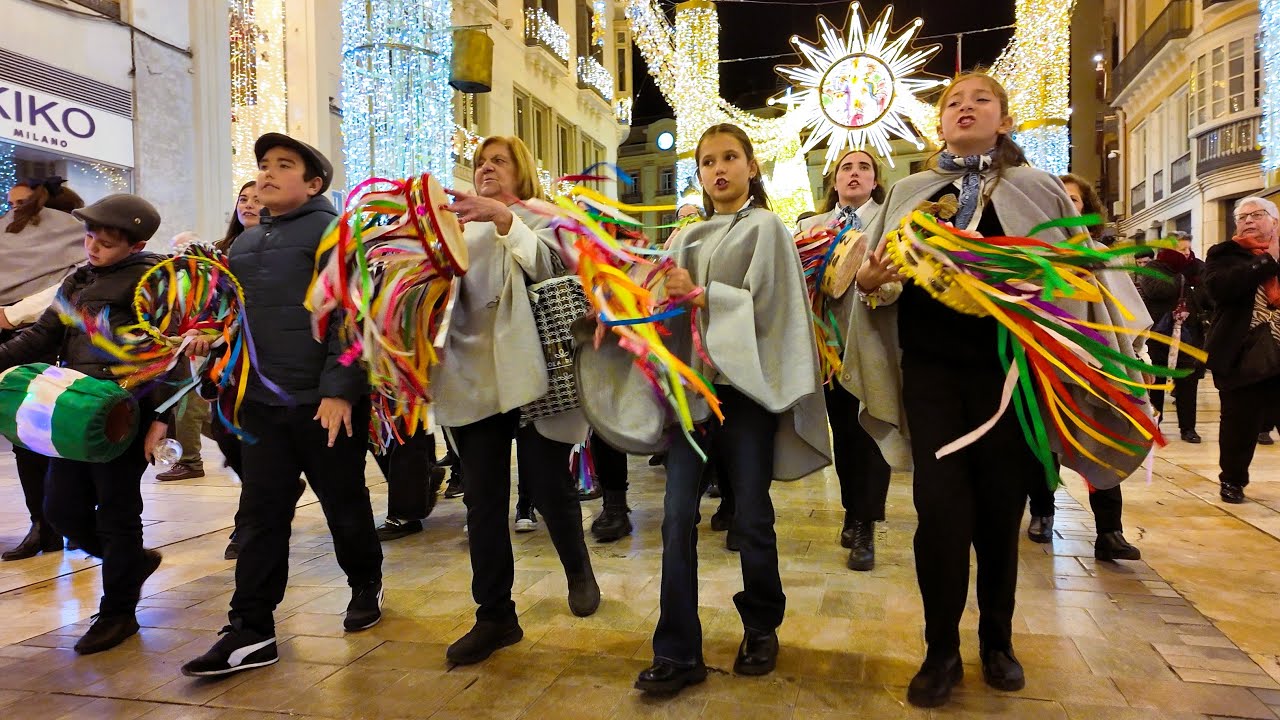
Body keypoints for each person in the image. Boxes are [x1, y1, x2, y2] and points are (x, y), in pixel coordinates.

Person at [841, 71, 1149, 708]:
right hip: (930, 374)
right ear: (939, 123)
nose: (965, 107)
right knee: (941, 514)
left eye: (981, 99)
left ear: (1005, 120)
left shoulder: (1039, 191)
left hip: (1012, 377)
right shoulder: (908, 190)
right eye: (953, 101)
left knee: (999, 512)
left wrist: (1032, 284)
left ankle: (998, 641)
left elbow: (1077, 281)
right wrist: (872, 280)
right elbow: (881, 287)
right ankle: (940, 649)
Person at [578, 123, 831, 695]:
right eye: (708, 162)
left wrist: (703, 296)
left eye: (730, 158)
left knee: (751, 518)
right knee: (674, 519)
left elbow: (773, 311)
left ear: (752, 167)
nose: (719, 170)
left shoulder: (767, 228)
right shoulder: (684, 235)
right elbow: (654, 304)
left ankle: (762, 623)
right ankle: (677, 649)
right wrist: (615, 317)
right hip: (688, 400)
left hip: (742, 397)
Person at [182, 133, 383, 677]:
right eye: (263, 165)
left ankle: (365, 580)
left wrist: (339, 389)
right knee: (262, 514)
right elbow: (233, 314)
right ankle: (251, 629)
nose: (267, 174)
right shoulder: (245, 243)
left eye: (283, 166)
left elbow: (352, 312)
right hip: (261, 405)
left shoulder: (333, 233)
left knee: (343, 503)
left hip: (323, 404)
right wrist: (210, 333)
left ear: (313, 183)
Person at [432, 135, 600, 667]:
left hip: (537, 376)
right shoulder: (456, 228)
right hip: (475, 378)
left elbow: (553, 271)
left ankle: (577, 568)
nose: (486, 169)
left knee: (548, 484)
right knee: (482, 501)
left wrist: (505, 221)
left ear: (520, 171)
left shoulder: (542, 217)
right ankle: (495, 616)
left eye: (499, 161)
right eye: (481, 162)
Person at [0, 193, 171, 653]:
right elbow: (41, 336)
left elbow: (166, 356)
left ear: (136, 245)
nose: (93, 247)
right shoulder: (78, 279)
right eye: (89, 236)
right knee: (60, 508)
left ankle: (119, 612)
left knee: (117, 514)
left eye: (107, 243)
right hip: (75, 414)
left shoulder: (153, 283)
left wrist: (161, 417)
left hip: (124, 414)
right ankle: (131, 563)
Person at [1023, 174, 1142, 563]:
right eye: (1058, 199)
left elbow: (1126, 317)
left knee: (1102, 436)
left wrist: (1133, 358)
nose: (1066, 206)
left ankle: (1110, 530)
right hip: (1042, 364)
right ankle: (1042, 512)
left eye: (1073, 200)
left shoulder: (1101, 256)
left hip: (1097, 366)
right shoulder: (1030, 255)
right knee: (1043, 444)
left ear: (1086, 210)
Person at [797, 149, 893, 571]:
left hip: (872, 343)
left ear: (875, 180)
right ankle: (853, 511)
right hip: (828, 349)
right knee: (845, 436)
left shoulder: (890, 221)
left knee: (871, 434)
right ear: (834, 182)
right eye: (846, 168)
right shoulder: (811, 227)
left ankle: (867, 524)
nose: (854, 174)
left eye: (863, 168)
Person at [0, 177, 86, 560]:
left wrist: (13, 313)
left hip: (41, 337)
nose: (14, 207)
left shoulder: (71, 230)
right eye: (11, 201)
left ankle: (56, 522)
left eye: (21, 200)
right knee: (22, 434)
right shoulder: (12, 230)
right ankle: (46, 524)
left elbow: (67, 288)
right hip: (11, 333)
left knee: (35, 431)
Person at [1203, 196, 1280, 504]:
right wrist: (1267, 261)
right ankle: (1232, 481)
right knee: (1239, 423)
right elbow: (1219, 289)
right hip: (1243, 354)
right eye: (1242, 216)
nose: (1248, 220)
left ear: (1274, 221)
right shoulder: (1225, 254)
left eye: (1257, 214)